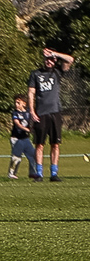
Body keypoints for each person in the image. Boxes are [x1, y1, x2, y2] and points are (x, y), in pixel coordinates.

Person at [27, 47, 76, 181]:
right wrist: (31, 111)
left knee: (55, 144)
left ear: (55, 60)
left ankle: (54, 173)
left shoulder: (57, 72)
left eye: (51, 59)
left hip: (55, 112)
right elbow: (31, 93)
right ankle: (39, 173)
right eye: (47, 59)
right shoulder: (36, 74)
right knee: (39, 144)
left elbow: (70, 60)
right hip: (41, 113)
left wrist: (55, 54)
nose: (49, 61)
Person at [7, 95, 38, 180]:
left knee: (32, 155)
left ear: (24, 103)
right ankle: (12, 174)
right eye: (15, 102)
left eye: (18, 103)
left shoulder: (28, 112)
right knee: (16, 157)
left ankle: (32, 173)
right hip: (16, 138)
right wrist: (27, 129)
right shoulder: (15, 113)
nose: (16, 104)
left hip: (25, 139)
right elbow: (17, 124)